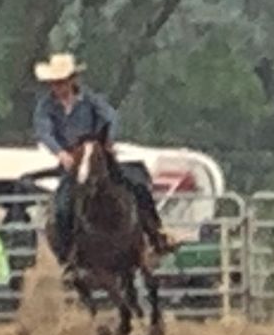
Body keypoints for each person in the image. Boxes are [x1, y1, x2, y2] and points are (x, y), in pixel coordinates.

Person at [32, 52, 173, 261]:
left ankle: (156, 235)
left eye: (61, 82)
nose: (57, 87)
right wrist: (60, 153)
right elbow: (44, 131)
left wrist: (107, 141)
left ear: (71, 81)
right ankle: (67, 257)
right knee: (62, 207)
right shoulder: (46, 106)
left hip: (99, 158)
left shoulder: (90, 99)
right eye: (54, 83)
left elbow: (111, 117)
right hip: (72, 163)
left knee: (137, 186)